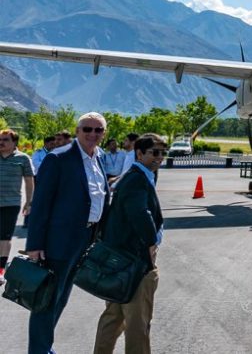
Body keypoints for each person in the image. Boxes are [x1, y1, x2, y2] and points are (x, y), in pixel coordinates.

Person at [27, 112, 110, 354]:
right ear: (77, 131)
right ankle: (39, 350)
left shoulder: (99, 159)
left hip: (85, 239)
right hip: (58, 241)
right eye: (87, 129)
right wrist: (34, 244)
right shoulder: (59, 159)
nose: (92, 134)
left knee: (61, 297)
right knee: (47, 300)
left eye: (98, 130)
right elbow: (41, 205)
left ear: (104, 134)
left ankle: (45, 346)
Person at [92, 134, 166, 354]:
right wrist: (151, 243)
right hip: (134, 261)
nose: (159, 158)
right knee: (137, 321)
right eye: (154, 152)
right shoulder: (137, 178)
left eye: (162, 153)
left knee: (113, 317)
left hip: (120, 260)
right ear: (139, 153)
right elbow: (139, 213)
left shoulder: (136, 176)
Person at [0, 129, 34, 284]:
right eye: (0, 139)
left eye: (5, 139)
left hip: (11, 204)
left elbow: (29, 181)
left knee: (4, 238)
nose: (1, 142)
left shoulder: (23, 158)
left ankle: (1, 270)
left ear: (14, 142)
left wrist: (29, 201)